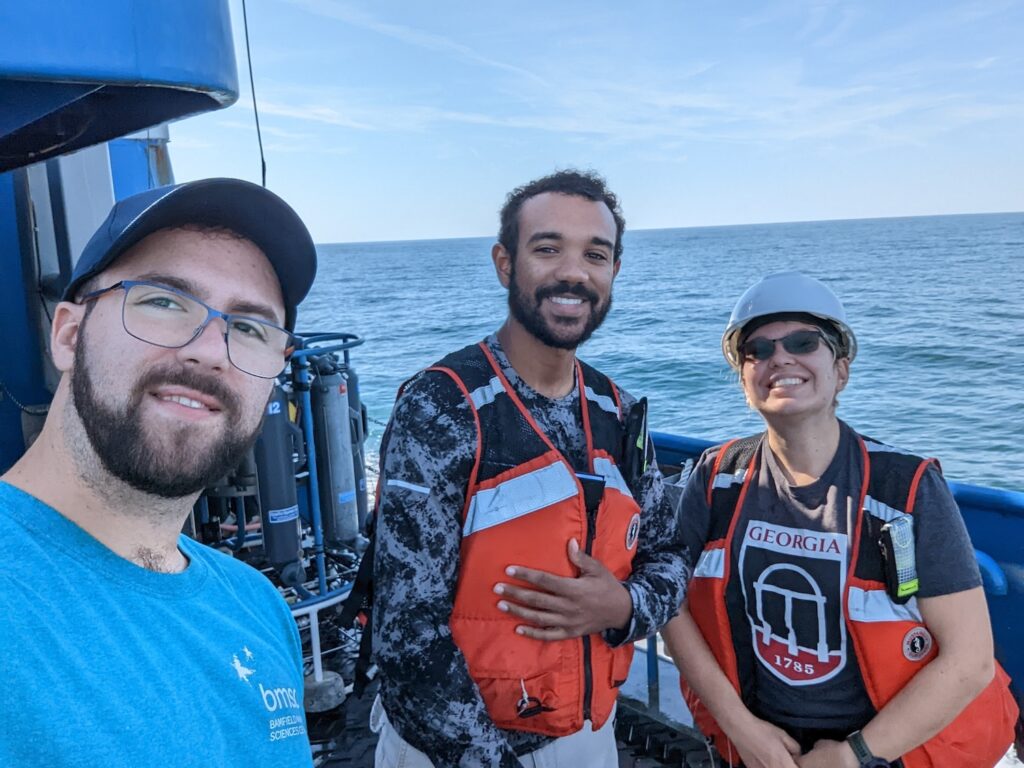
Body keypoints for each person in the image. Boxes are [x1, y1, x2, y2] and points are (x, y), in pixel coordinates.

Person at [370, 170, 689, 767]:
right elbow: (406, 635)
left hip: (587, 736)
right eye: (548, 248)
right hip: (452, 750)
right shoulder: (442, 406)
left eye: (595, 254)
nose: (574, 271)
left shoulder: (618, 411)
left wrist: (623, 607)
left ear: (613, 272)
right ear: (504, 263)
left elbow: (670, 555)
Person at [0, 179, 318, 766]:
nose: (211, 351)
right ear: (69, 335)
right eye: (165, 302)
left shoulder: (256, 605)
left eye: (250, 328)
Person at [661, 271, 1018, 768]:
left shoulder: (906, 488)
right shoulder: (716, 478)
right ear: (744, 381)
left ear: (841, 371)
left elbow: (970, 659)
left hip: (882, 751)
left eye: (803, 342)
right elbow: (668, 599)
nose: (779, 358)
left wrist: (854, 756)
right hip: (762, 747)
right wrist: (743, 731)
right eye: (757, 350)